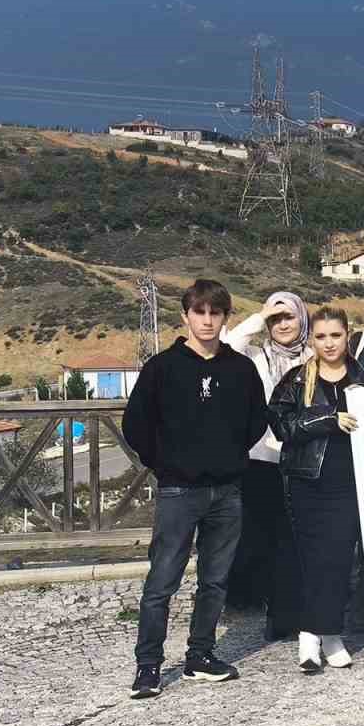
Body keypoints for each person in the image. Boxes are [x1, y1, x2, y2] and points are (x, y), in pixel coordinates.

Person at [122, 279, 267, 700]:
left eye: (215, 313)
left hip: (227, 491)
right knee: (162, 581)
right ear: (185, 316)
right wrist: (166, 465)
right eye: (199, 312)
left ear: (225, 318)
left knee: (215, 580)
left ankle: (200, 655)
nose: (207, 320)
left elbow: (255, 421)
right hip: (177, 493)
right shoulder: (161, 369)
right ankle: (148, 666)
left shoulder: (240, 369)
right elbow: (136, 426)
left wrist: (229, 457)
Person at [268, 307, 364, 673]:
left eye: (336, 336)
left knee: (340, 561)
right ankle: (314, 638)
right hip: (308, 482)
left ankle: (325, 633)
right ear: (312, 340)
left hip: (350, 484)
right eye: (321, 337)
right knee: (315, 561)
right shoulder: (297, 381)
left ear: (348, 337)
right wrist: (328, 419)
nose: (329, 344)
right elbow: (283, 425)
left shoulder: (363, 376)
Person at [221, 291, 310, 639]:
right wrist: (259, 317)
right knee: (267, 539)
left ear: (303, 318)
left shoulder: (314, 354)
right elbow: (228, 346)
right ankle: (273, 613)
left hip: (304, 459)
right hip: (263, 459)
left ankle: (301, 612)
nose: (283, 324)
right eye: (276, 319)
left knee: (298, 540)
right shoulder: (257, 357)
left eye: (289, 316)